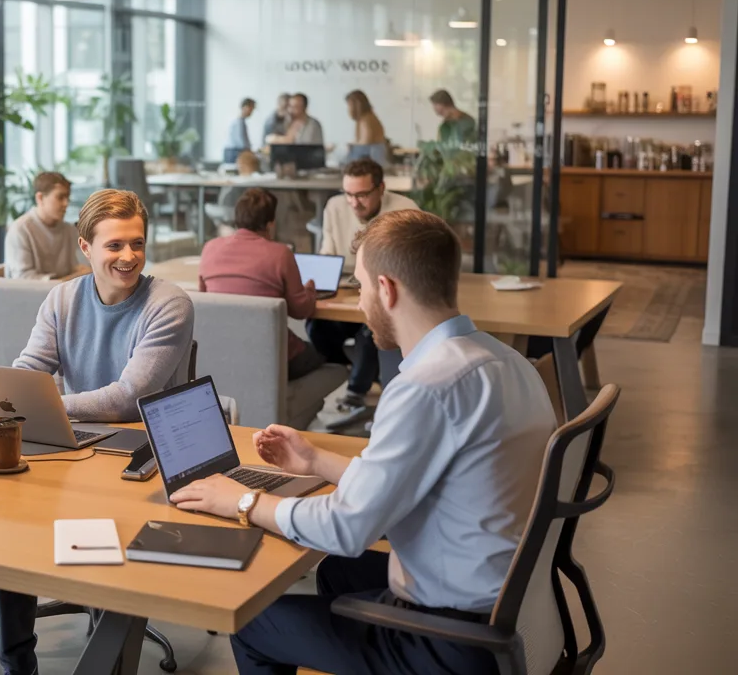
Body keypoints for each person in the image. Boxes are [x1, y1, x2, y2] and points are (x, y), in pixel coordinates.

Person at [168, 210, 557, 675]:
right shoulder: (508, 361)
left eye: (363, 286)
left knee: (253, 624)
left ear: (387, 289)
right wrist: (316, 460)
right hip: (505, 605)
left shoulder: (425, 387)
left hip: (450, 639)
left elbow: (348, 529)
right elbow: (419, 481)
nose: (359, 304)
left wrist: (241, 501)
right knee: (337, 571)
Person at [0, 189, 195, 675]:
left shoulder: (169, 304)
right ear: (85, 247)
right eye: (114, 246)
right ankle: (4, 646)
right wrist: (14, 398)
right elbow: (29, 369)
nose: (129, 257)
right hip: (77, 442)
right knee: (3, 500)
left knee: (20, 505)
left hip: (140, 454)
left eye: (137, 244)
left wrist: (45, 406)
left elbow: (127, 397)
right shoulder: (62, 297)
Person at [311, 157, 419, 426]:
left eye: (362, 195)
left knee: (371, 329)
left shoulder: (405, 210)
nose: (354, 203)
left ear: (381, 189)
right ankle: (357, 374)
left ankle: (355, 393)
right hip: (345, 288)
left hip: (387, 291)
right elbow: (328, 254)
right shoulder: (335, 207)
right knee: (315, 327)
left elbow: (412, 263)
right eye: (348, 194)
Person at [199, 188, 326, 381]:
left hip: (225, 353)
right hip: (273, 354)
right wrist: (309, 289)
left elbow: (207, 299)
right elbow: (301, 310)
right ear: (270, 224)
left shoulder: (210, 248)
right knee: (323, 354)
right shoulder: (280, 253)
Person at [4, 171, 88, 281]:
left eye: (67, 197)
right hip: (29, 296)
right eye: (60, 197)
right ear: (40, 198)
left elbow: (80, 267)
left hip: (64, 294)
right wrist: (70, 279)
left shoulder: (69, 230)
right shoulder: (20, 230)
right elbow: (23, 279)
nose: (66, 203)